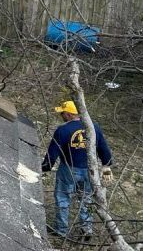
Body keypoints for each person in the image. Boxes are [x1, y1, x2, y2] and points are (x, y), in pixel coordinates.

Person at [41, 100, 114, 239]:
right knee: (86, 199)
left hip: (68, 169)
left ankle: (60, 230)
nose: (61, 115)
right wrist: (107, 166)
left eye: (62, 113)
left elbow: (52, 153)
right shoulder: (93, 127)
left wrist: (45, 167)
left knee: (63, 198)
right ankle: (86, 229)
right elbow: (103, 148)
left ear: (68, 114)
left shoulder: (62, 130)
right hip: (89, 170)